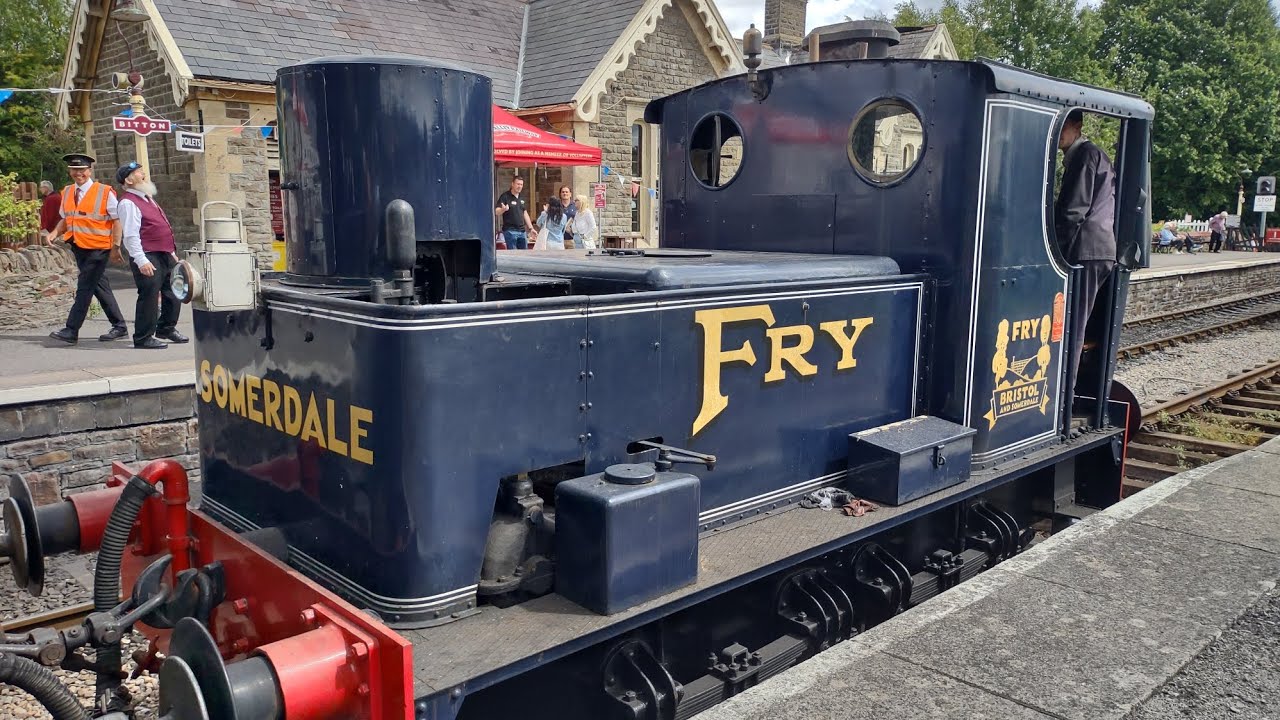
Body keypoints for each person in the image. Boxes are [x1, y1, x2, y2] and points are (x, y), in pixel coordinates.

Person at [1053, 109, 1116, 400]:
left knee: (1073, 323)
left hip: (1086, 249)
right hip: (1096, 248)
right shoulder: (1091, 156)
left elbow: (1072, 211)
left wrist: (1055, 255)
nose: (1058, 134)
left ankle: (1066, 393)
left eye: (1063, 127)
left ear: (1076, 127)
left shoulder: (1085, 156)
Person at [46, 153, 129, 344]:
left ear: (89, 171)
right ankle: (120, 326)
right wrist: (54, 233)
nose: (78, 174)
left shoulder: (105, 192)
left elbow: (117, 221)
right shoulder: (66, 192)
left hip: (98, 249)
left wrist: (116, 247)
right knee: (99, 286)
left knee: (84, 288)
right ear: (70, 172)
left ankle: (71, 329)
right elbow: (66, 219)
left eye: (82, 170)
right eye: (74, 170)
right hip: (78, 246)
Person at [116, 161, 188, 349]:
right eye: (139, 173)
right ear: (128, 180)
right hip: (148, 254)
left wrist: (172, 252)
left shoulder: (147, 198)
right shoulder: (128, 203)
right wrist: (141, 260)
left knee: (173, 291)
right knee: (149, 294)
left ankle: (166, 328)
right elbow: (131, 235)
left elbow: (161, 227)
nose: (144, 175)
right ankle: (142, 337)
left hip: (165, 253)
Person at [495, 176, 535, 250]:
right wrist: (503, 210)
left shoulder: (522, 197)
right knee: (513, 255)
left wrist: (531, 228)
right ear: (512, 184)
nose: (519, 186)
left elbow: (525, 213)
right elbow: (496, 212)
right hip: (510, 231)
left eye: (521, 184)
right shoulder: (505, 196)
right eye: (518, 184)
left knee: (524, 255)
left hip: (522, 231)